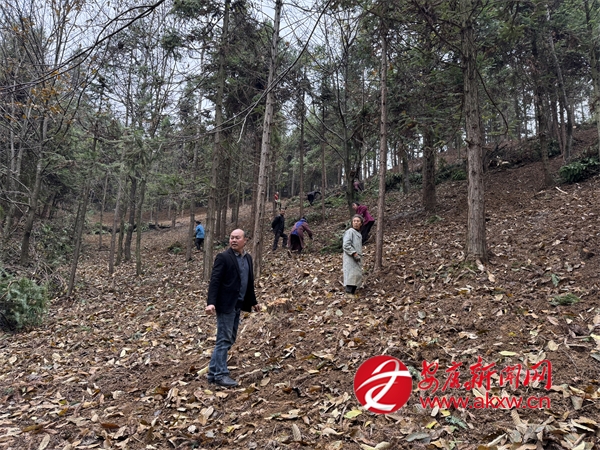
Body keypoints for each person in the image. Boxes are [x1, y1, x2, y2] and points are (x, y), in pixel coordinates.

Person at [206, 229, 259, 387]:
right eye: (231, 238)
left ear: (245, 240)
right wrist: (211, 303)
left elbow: (248, 282)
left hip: (238, 304)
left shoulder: (248, 258)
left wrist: (253, 301)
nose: (233, 240)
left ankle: (213, 372)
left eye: (237, 238)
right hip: (225, 304)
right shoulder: (223, 257)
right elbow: (215, 281)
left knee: (229, 339)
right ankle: (220, 375)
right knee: (223, 339)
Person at [343, 215, 363, 296]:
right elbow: (346, 245)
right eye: (354, 221)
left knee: (356, 276)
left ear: (361, 223)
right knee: (351, 276)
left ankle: (352, 294)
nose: (356, 223)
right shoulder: (350, 231)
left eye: (358, 221)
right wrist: (353, 253)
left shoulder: (359, 234)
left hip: (357, 258)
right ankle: (348, 294)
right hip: (350, 258)